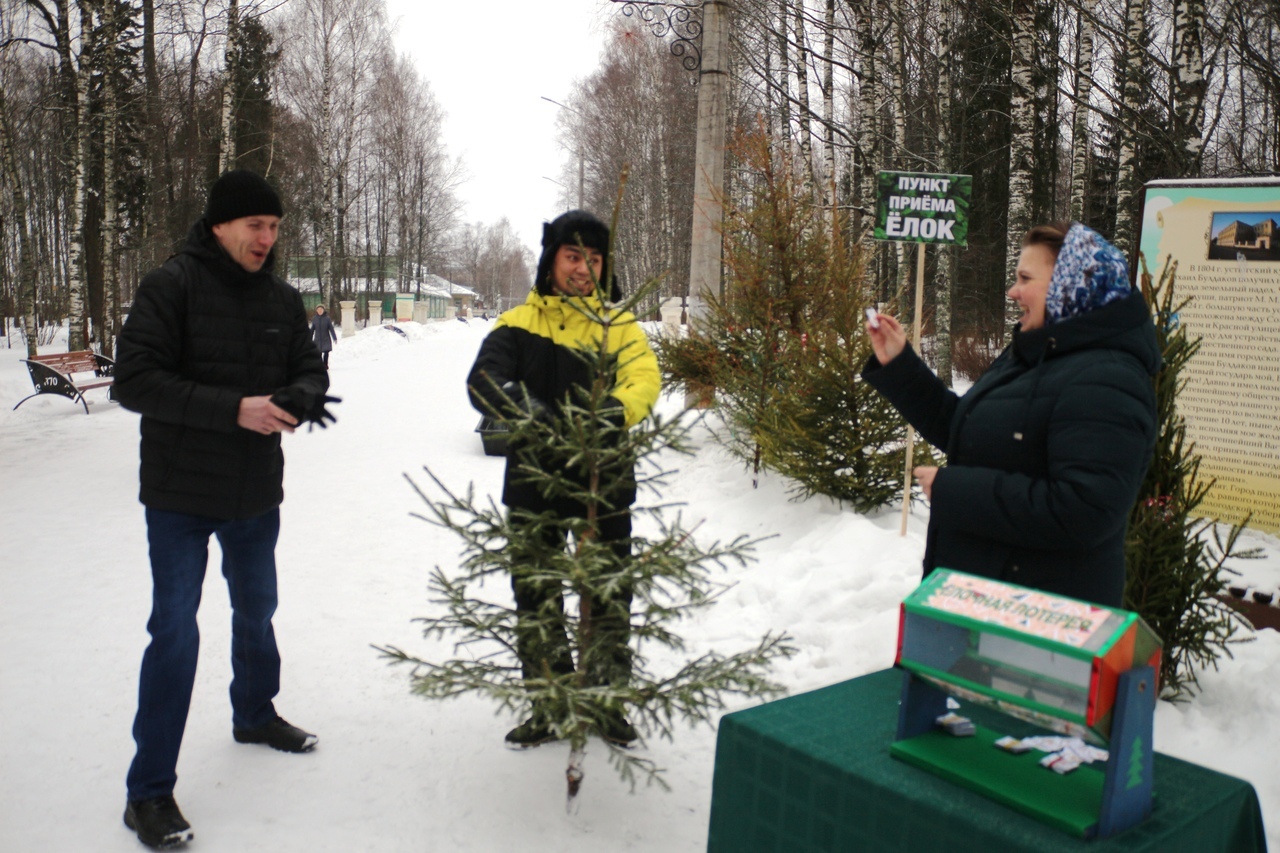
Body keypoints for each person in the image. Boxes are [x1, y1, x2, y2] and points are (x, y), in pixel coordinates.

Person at [114, 169, 338, 850]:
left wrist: (298, 398)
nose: (267, 238)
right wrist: (232, 408)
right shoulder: (170, 286)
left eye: (274, 227)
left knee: (257, 608)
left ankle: (254, 712)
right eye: (255, 226)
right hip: (181, 495)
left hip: (252, 493)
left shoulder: (281, 297)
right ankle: (148, 791)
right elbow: (135, 381)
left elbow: (311, 368)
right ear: (220, 225)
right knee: (176, 631)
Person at [863, 221, 1159, 608]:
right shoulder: (1036, 353)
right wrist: (900, 364)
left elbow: (1084, 511)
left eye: (1025, 278)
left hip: (1041, 625)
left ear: (1070, 285)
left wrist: (955, 491)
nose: (1012, 291)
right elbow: (966, 430)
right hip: (992, 601)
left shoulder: (1108, 379)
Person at [466, 209, 661, 749]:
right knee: (537, 596)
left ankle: (605, 703)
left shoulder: (618, 328)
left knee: (608, 593)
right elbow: (483, 379)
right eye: (573, 256)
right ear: (551, 260)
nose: (584, 269)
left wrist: (613, 412)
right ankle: (548, 706)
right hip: (533, 483)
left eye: (594, 259)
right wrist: (522, 406)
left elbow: (645, 377)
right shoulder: (516, 324)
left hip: (605, 485)